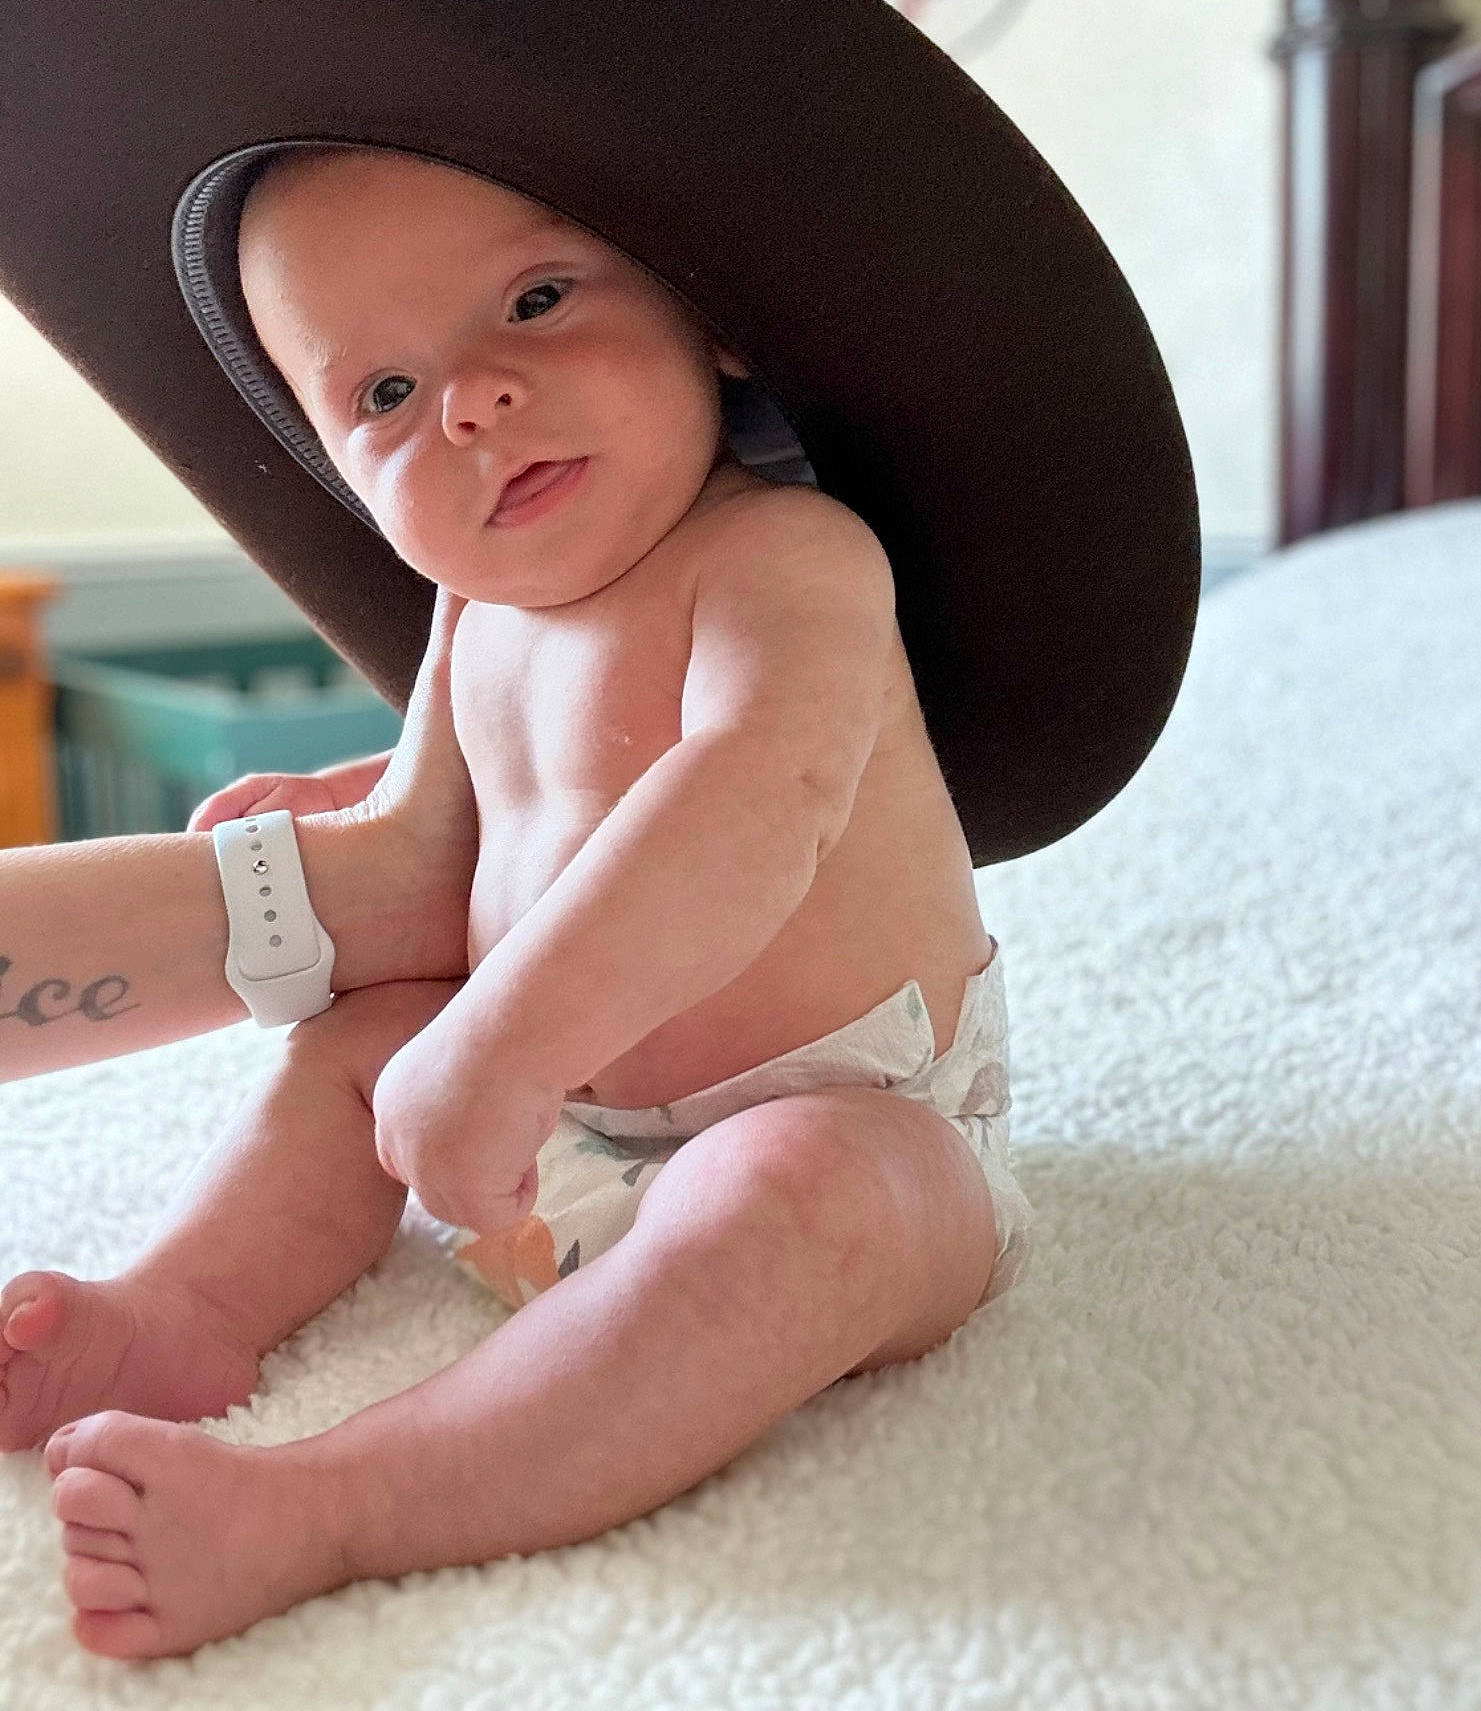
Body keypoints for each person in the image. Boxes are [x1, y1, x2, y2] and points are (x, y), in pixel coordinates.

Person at [0, 141, 1032, 1660]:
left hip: (847, 1106)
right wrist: (350, 813)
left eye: (537, 302)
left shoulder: (784, 561)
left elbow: (757, 799)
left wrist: (505, 1049)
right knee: (361, 1038)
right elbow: (468, 799)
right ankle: (184, 1310)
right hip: (553, 1136)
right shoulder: (475, 606)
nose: (472, 400)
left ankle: (333, 1502)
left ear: (711, 316)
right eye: (385, 397)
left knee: (807, 1198)